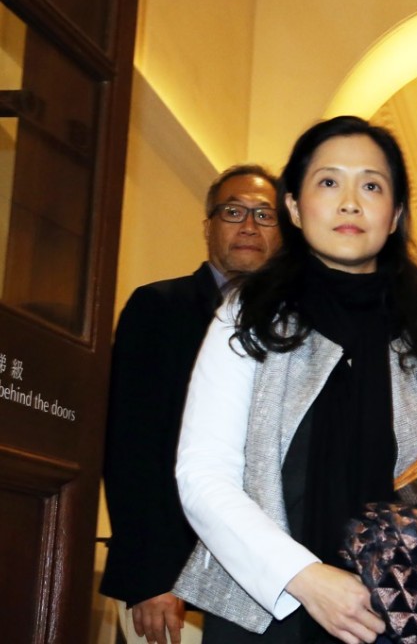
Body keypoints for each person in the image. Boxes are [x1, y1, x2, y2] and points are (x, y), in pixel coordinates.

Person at [172, 116, 417, 643]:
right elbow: (204, 473)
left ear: (396, 213)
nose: (350, 202)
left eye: (372, 185)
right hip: (271, 603)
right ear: (293, 206)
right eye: (329, 182)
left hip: (412, 606)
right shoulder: (248, 314)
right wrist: (307, 579)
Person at [101, 164, 284, 644]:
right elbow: (130, 447)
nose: (248, 225)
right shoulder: (158, 309)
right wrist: (152, 576)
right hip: (178, 581)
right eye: (233, 211)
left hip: (278, 580)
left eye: (264, 215)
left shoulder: (299, 327)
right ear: (209, 226)